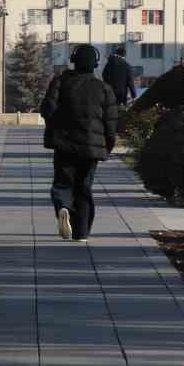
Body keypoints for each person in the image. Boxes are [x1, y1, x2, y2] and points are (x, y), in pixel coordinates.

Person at [40, 43, 117, 245]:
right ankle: (81, 233)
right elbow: (111, 123)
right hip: (91, 147)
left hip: (64, 143)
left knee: (63, 182)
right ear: (95, 64)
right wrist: (107, 146)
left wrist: (56, 125)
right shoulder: (104, 88)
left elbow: (47, 109)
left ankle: (63, 207)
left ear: (74, 62)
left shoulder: (60, 82)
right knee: (84, 188)